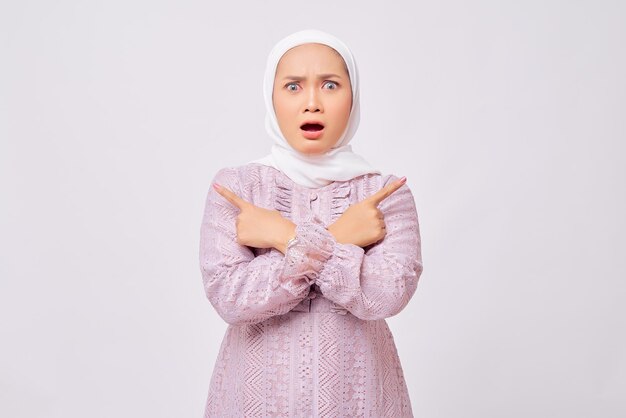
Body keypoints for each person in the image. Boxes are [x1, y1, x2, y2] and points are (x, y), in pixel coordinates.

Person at [199, 29, 423, 417]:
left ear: (353, 98)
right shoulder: (236, 188)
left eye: (331, 85)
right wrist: (338, 239)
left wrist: (284, 237)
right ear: (271, 97)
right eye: (293, 87)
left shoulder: (386, 195)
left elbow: (387, 295)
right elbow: (229, 298)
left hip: (359, 398)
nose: (312, 103)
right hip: (256, 401)